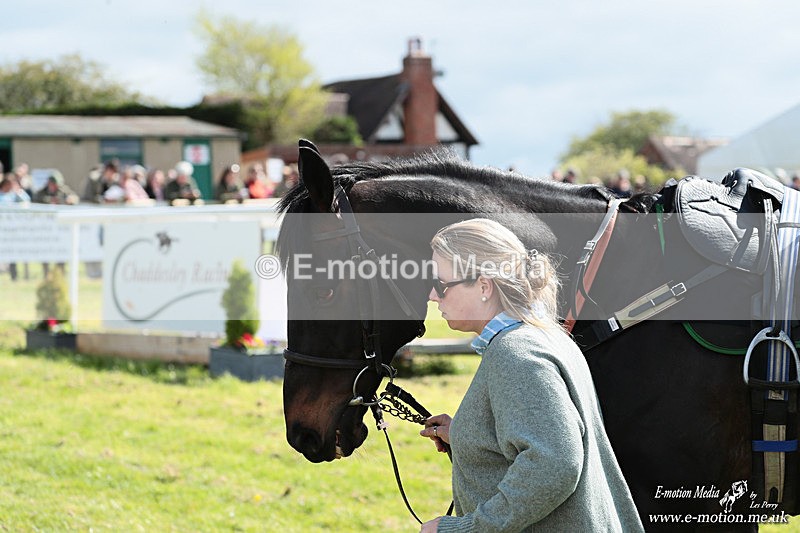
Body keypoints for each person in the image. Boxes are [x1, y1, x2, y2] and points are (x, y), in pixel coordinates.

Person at [419, 219, 643, 533]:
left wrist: (469, 529)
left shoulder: (516, 352)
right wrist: (466, 435)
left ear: (484, 286)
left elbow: (553, 462)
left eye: (441, 284)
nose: (431, 295)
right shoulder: (543, 335)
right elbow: (548, 437)